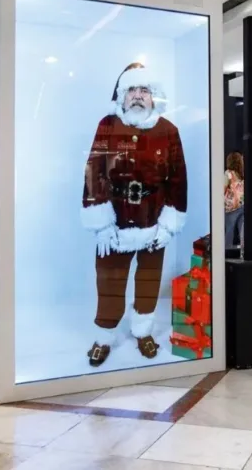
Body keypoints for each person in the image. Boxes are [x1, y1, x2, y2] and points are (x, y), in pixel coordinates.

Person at [81, 62, 187, 367]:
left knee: (149, 279)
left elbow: (178, 179)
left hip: (155, 222)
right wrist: (100, 222)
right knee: (110, 281)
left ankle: (143, 333)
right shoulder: (107, 125)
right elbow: (94, 172)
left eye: (144, 90)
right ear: (121, 95)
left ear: (154, 96)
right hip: (114, 222)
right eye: (132, 90)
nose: (138, 96)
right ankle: (104, 337)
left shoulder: (169, 131)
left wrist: (170, 222)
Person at [224, 152, 245, 247]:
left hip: (230, 208)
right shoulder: (242, 175)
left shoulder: (228, 174)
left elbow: (222, 188)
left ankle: (227, 255)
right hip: (242, 205)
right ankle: (244, 251)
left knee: (229, 232)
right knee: (243, 231)